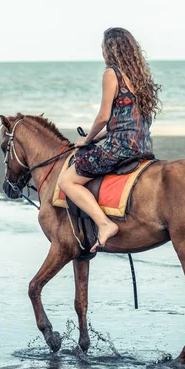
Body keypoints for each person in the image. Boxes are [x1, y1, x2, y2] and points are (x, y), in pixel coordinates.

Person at [58, 27, 162, 253]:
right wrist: (98, 137)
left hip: (120, 149)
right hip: (142, 147)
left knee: (66, 181)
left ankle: (105, 224)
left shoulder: (112, 74)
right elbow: (126, 123)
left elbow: (104, 117)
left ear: (109, 50)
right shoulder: (139, 78)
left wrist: (87, 139)